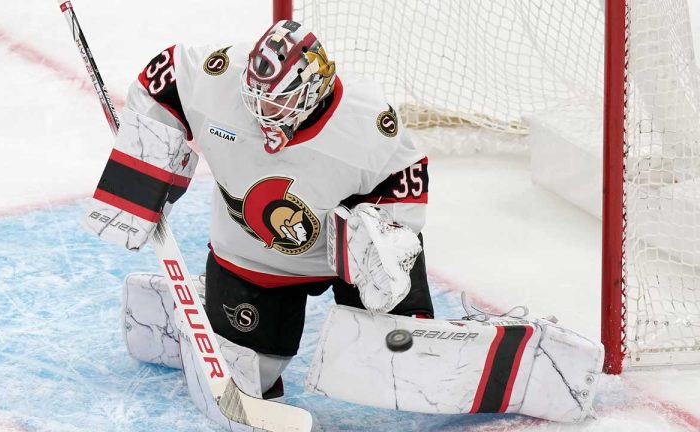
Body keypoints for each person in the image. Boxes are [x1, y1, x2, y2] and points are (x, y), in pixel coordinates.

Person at [84, 20, 604, 431]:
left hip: (346, 254)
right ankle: (197, 309)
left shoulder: (365, 121)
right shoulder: (220, 75)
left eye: (278, 101)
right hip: (251, 255)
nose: (263, 112)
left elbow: (406, 175)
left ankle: (521, 361)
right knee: (248, 372)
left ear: (313, 87)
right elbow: (164, 75)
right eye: (257, 97)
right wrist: (143, 174)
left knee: (398, 358)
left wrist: (385, 241)